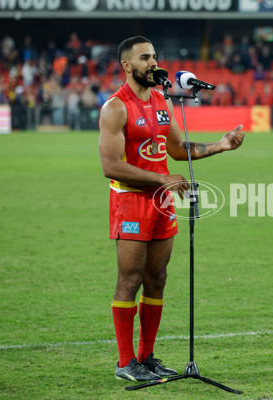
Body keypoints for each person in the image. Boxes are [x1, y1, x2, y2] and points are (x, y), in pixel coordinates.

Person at [98, 36, 244, 383]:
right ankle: (125, 362)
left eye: (154, 56)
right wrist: (159, 179)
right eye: (144, 58)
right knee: (130, 279)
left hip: (161, 203)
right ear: (127, 66)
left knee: (157, 279)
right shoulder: (115, 108)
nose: (153, 62)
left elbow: (178, 150)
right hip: (131, 200)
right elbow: (110, 165)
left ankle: (146, 357)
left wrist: (220, 145)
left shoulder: (163, 100)